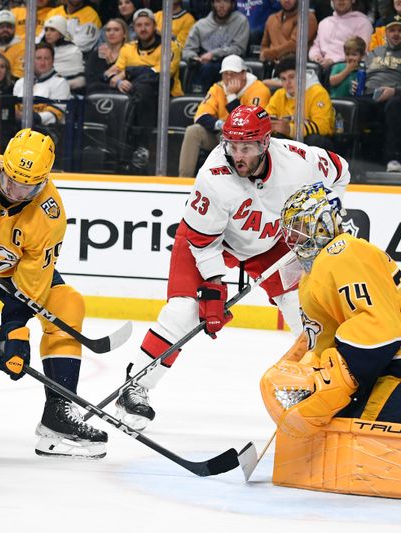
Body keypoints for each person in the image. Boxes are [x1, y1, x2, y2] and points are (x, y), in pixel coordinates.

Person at [115, 105, 350, 431]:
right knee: (183, 312)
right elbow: (201, 240)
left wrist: (321, 213)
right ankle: (136, 384)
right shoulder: (213, 176)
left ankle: (326, 388)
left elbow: (341, 171)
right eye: (232, 146)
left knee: (305, 310)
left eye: (247, 148)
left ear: (265, 143)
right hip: (210, 241)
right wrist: (214, 288)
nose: (238, 155)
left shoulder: (299, 163)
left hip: (269, 244)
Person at [0, 129, 108, 458]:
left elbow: (31, 283)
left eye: (29, 186)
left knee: (67, 304)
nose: (16, 192)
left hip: (9, 274)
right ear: (2, 168)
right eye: (11, 181)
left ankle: (58, 416)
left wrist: (13, 331)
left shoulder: (49, 214)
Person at [260, 182, 401, 498]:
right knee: (338, 425)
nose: (292, 238)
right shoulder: (314, 272)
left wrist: (339, 382)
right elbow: (326, 338)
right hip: (385, 366)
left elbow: (382, 327)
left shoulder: (342, 251)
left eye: (299, 228)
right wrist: (305, 368)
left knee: (365, 434)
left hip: (394, 365)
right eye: (289, 230)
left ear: (323, 223)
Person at [108, 8, 183, 171]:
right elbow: (112, 73)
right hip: (136, 92)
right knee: (136, 90)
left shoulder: (170, 46)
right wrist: (120, 82)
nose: (143, 28)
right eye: (139, 25)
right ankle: (118, 148)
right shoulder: (128, 48)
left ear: (155, 26)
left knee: (144, 87)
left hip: (165, 93)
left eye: (147, 24)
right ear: (134, 28)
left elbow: (164, 72)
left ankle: (139, 147)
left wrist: (129, 73)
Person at [179, 55, 271, 177]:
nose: (228, 77)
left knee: (230, 138)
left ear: (243, 74)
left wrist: (231, 96)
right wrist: (221, 125)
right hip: (221, 133)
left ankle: (237, 180)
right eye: (225, 73)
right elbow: (200, 116)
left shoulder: (259, 90)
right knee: (193, 131)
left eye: (233, 73)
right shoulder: (218, 87)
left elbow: (249, 124)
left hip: (248, 141)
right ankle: (184, 180)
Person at [266, 55, 335, 149]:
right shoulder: (279, 94)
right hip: (290, 141)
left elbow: (323, 126)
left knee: (314, 140)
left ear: (302, 75)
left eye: (292, 77)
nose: (288, 82)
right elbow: (267, 118)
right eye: (283, 79)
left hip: (316, 143)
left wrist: (291, 130)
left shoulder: (318, 92)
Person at [182, 0, 249, 93]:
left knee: (212, 68)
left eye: (225, 2)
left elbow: (239, 49)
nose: (221, 5)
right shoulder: (201, 25)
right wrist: (193, 58)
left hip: (231, 64)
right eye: (218, 1)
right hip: (204, 66)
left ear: (232, 4)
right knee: (202, 68)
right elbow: (188, 50)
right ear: (212, 4)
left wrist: (213, 54)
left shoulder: (241, 21)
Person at [364, 14, 401, 172]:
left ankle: (393, 159)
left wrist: (394, 91)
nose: (396, 34)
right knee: (348, 106)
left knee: (394, 106)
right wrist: (356, 84)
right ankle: (345, 158)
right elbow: (363, 73)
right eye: (392, 30)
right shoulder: (374, 52)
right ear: (385, 33)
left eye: (400, 30)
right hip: (369, 94)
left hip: (395, 95)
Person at [12, 41, 71, 130]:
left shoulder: (60, 83)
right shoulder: (20, 83)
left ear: (53, 61)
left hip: (50, 133)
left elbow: (54, 116)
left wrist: (28, 117)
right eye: (38, 58)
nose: (42, 63)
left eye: (47, 58)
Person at [260, 0, 318, 76]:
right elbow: (264, 45)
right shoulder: (271, 19)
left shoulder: (307, 18)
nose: (287, 0)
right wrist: (266, 55)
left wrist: (270, 54)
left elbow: (294, 44)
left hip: (296, 70)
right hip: (271, 67)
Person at [308, 0, 372, 68]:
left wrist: (333, 61)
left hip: (346, 71)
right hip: (318, 68)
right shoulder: (324, 23)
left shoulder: (363, 23)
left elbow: (362, 53)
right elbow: (316, 46)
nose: (341, 0)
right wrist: (316, 57)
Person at [40, 15, 85, 92]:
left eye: (52, 30)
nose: (48, 33)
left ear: (61, 34)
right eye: (46, 30)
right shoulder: (39, 50)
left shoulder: (73, 51)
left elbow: (79, 78)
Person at [85, 18, 128, 93]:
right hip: (98, 91)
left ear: (124, 34)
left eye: (116, 30)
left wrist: (110, 63)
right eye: (108, 30)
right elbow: (90, 80)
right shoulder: (97, 53)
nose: (111, 33)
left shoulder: (130, 53)